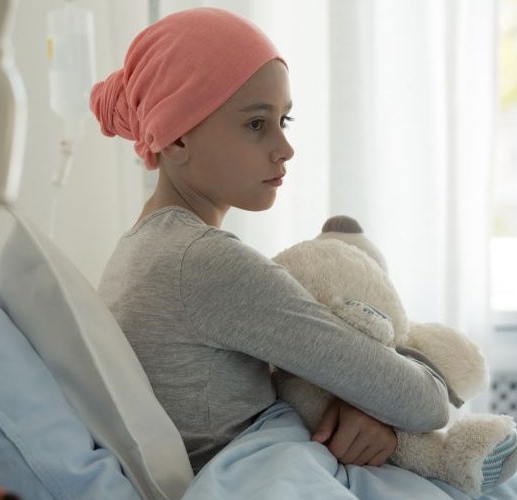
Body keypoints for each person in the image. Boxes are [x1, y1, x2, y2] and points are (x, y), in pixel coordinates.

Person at [90, 7, 450, 473]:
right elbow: (426, 401)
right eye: (256, 124)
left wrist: (355, 401)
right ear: (175, 138)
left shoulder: (138, 250)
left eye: (285, 120)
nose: (285, 148)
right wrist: (372, 402)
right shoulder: (205, 263)